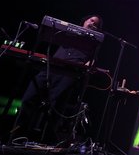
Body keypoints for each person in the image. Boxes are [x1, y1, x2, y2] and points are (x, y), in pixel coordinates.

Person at [11, 14, 104, 146]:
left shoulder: (94, 42)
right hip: (50, 67)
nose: (92, 24)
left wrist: (90, 64)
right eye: (91, 20)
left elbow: (93, 59)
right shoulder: (67, 32)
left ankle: (45, 141)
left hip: (69, 73)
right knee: (29, 98)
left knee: (55, 107)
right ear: (84, 21)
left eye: (96, 24)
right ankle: (17, 136)